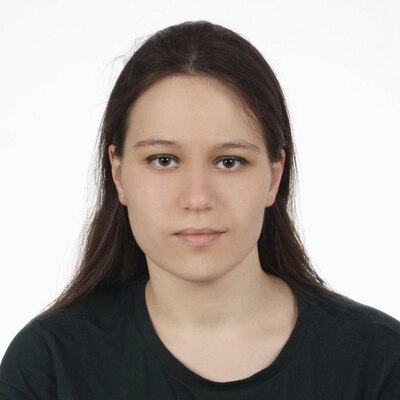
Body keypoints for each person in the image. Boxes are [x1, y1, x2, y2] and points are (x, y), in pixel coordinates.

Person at [0, 20, 399, 399]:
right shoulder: (48, 366)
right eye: (163, 160)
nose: (197, 198)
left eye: (229, 161)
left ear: (274, 176)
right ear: (118, 174)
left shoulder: (380, 362)